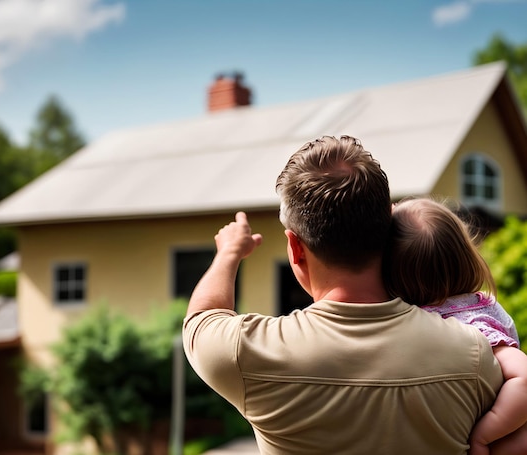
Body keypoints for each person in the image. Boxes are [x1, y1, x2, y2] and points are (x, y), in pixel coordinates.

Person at [182, 135, 503, 454]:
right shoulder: (473, 353)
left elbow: (202, 318)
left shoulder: (250, 352)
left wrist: (228, 254)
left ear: (295, 247)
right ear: (388, 228)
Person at [383, 197, 527, 455]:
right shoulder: (476, 305)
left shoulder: (470, 322)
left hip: (502, 434)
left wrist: (486, 434)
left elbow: (524, 376)